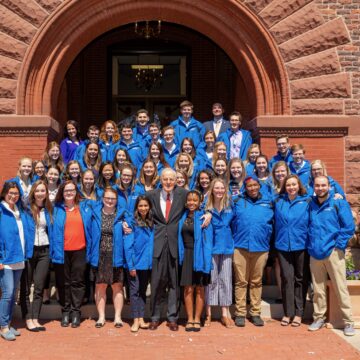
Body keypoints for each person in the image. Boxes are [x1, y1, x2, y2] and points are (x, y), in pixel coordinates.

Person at [145, 168, 210, 331]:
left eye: (171, 179)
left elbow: (198, 203)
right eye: (165, 179)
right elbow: (139, 210)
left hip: (176, 245)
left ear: (176, 181)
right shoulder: (151, 195)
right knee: (157, 282)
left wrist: (209, 213)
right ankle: (154, 317)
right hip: (158, 244)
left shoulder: (183, 194)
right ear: (160, 179)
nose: (168, 182)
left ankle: (172, 317)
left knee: (174, 283)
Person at [307, 175, 355, 336]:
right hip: (315, 252)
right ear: (314, 187)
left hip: (333, 252)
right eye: (317, 185)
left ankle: (348, 321)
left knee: (341, 287)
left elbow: (348, 227)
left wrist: (339, 246)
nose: (320, 188)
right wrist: (310, 245)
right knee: (318, 290)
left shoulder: (338, 202)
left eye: (323, 185)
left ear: (329, 186)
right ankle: (319, 318)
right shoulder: (311, 204)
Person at [231, 176, 274, 327]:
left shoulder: (268, 203)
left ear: (259, 186)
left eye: (255, 185)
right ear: (245, 187)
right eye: (249, 186)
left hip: (261, 248)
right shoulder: (237, 202)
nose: (253, 188)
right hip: (240, 247)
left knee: (256, 282)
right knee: (241, 281)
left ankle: (255, 313)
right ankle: (240, 313)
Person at [51, 180, 91, 328]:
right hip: (61, 252)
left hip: (80, 250)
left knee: (78, 281)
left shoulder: (84, 207)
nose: (69, 193)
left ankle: (76, 312)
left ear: (76, 192)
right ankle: (65, 311)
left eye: (72, 190)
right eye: (66, 190)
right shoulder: (56, 209)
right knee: (63, 283)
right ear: (62, 192)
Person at [88, 187, 127, 328]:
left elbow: (132, 227)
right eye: (107, 198)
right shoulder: (95, 214)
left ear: (117, 200)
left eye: (113, 199)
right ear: (103, 199)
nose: (110, 201)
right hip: (99, 256)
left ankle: (118, 317)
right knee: (100, 287)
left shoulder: (122, 215)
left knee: (117, 286)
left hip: (116, 255)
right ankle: (101, 317)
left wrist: (127, 226)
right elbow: (89, 235)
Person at [274, 175, 310, 327]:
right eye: (288, 185)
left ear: (299, 185)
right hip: (283, 245)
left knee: (300, 279)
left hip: (301, 245)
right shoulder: (278, 201)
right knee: (287, 278)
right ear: (284, 187)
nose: (291, 187)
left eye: (294, 184)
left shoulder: (307, 201)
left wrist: (338, 194)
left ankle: (299, 313)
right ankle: (288, 313)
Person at [20, 180, 53, 332]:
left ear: (46, 193)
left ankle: (35, 318)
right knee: (26, 287)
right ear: (33, 192)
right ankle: (27, 318)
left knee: (39, 287)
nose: (40, 193)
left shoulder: (49, 209)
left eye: (43, 191)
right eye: (38, 190)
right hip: (29, 251)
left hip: (44, 251)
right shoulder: (25, 209)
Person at [178, 191, 213, 332]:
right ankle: (189, 319)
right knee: (188, 288)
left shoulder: (204, 217)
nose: (192, 202)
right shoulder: (182, 217)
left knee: (199, 288)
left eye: (195, 200)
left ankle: (197, 318)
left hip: (200, 255)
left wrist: (207, 259)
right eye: (189, 200)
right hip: (186, 254)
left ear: (200, 202)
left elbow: (208, 240)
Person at [0, 181, 30, 341]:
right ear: (4, 193)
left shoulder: (19, 211)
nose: (13, 196)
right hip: (6, 260)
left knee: (13, 294)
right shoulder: (1, 210)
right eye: (10, 193)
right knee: (7, 293)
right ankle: (3, 327)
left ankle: (8, 322)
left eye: (16, 193)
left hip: (19, 258)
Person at [205, 178, 234, 328]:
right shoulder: (206, 206)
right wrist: (208, 214)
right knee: (211, 280)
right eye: (216, 188)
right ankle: (208, 313)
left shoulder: (230, 204)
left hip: (227, 246)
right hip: (211, 248)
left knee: (225, 279)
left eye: (222, 188)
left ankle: (225, 314)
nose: (219, 191)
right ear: (212, 189)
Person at [124, 196, 154, 333]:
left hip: (147, 265)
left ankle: (141, 318)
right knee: (134, 292)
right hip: (135, 264)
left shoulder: (152, 222)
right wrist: (131, 265)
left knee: (142, 292)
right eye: (140, 206)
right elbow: (128, 246)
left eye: (146, 206)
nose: (143, 208)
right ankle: (135, 319)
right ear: (136, 207)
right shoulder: (132, 222)